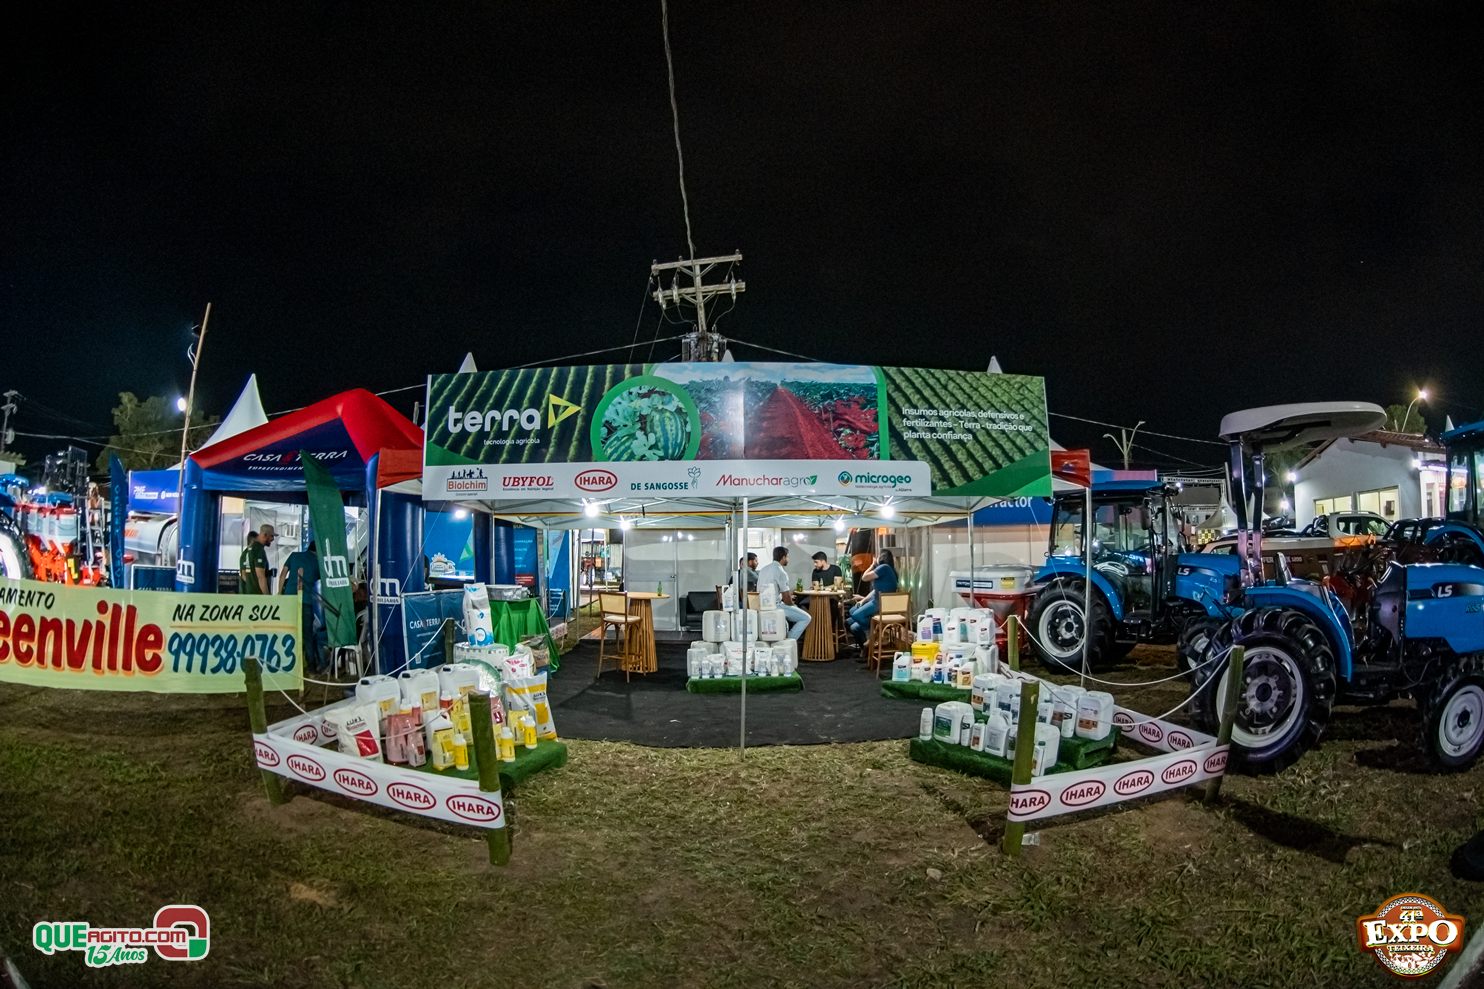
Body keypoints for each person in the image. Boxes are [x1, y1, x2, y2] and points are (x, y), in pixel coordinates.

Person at [279, 542, 324, 672]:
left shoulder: (294, 556)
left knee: (288, 632)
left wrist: (280, 593)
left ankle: (287, 664)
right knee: (307, 635)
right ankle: (311, 668)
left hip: (289, 600)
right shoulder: (318, 563)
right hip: (306, 601)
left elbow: (283, 575)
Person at [756, 546, 810, 640]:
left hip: (761, 605)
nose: (788, 559)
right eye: (788, 557)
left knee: (788, 618)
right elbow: (787, 600)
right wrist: (793, 604)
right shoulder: (781, 572)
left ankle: (785, 637)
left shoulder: (763, 570)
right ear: (784, 557)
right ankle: (789, 641)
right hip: (775, 606)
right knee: (806, 618)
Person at [848, 548, 898, 645]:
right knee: (853, 614)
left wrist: (872, 565)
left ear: (882, 557)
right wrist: (863, 600)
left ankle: (873, 635)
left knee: (856, 615)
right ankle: (874, 633)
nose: (876, 557)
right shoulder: (890, 570)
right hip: (882, 602)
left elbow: (864, 577)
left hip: (879, 603)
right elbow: (876, 590)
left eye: (878, 556)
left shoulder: (884, 568)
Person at [239, 524, 275, 594]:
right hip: (258, 595)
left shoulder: (246, 552)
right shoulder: (259, 550)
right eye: (271, 536)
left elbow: (243, 574)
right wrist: (268, 597)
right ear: (265, 535)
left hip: (246, 594)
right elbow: (261, 577)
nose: (273, 539)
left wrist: (251, 585)